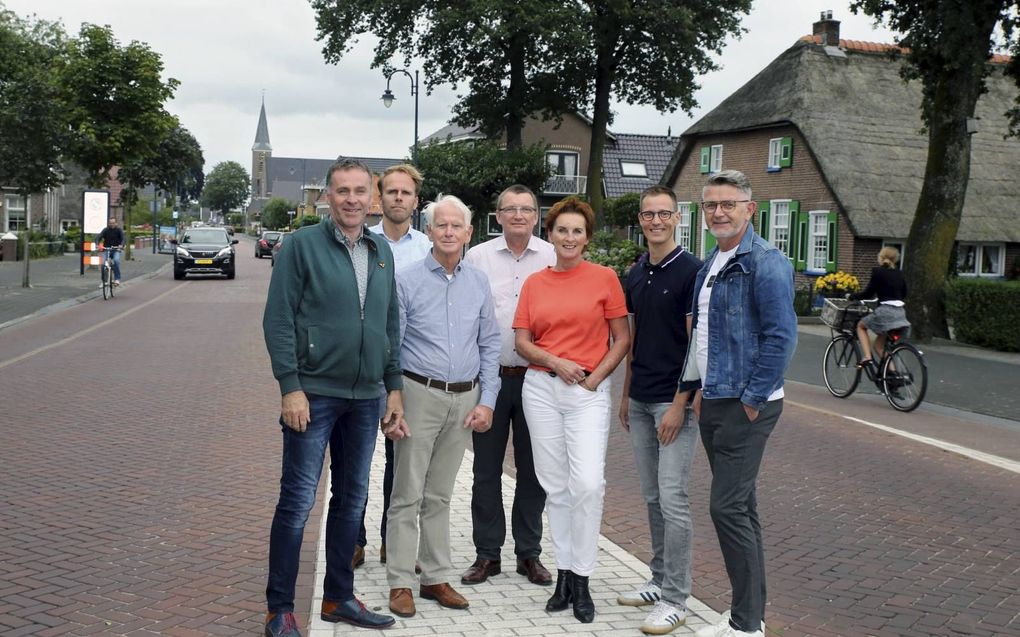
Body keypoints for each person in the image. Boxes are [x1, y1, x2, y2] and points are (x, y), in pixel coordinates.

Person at [262, 159, 404, 637]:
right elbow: (278, 320)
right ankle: (280, 609)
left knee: (352, 501)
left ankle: (338, 598)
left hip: (365, 398)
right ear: (327, 195)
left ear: (374, 197)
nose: (351, 199)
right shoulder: (300, 246)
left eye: (360, 191)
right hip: (314, 395)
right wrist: (290, 387)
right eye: (342, 190)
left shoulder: (380, 249)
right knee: (298, 501)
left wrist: (394, 388)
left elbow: (388, 325)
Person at [687, 171, 797, 637]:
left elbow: (782, 338)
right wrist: (694, 392)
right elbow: (700, 335)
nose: (718, 212)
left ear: (750, 209)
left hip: (745, 404)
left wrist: (751, 401)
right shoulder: (710, 262)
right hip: (714, 399)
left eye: (728, 204)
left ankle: (745, 625)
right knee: (742, 508)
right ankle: (748, 619)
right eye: (711, 204)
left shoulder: (766, 263)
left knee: (727, 509)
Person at [513, 196, 631, 624]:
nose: (569, 237)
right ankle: (565, 576)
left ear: (587, 238)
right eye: (562, 230)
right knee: (555, 486)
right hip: (541, 389)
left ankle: (583, 578)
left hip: (586, 390)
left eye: (577, 231)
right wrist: (554, 361)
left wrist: (596, 379)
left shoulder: (605, 278)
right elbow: (522, 342)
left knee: (586, 484)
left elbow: (621, 338)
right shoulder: (535, 283)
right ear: (550, 234)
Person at [385, 195, 501, 619]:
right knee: (407, 494)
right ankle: (400, 581)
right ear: (428, 231)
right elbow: (391, 344)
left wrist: (487, 401)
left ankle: (434, 576)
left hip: (465, 399)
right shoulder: (407, 279)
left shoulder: (478, 282)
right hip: (419, 394)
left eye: (457, 226)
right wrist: (391, 399)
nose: (449, 232)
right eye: (441, 225)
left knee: (439, 494)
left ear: (470, 233)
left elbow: (489, 344)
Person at [460, 185, 555, 588]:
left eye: (526, 209)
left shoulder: (553, 258)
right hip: (492, 380)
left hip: (537, 380)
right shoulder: (478, 257)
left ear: (536, 216)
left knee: (534, 471)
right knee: (485, 471)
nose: (518, 215)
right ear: (496, 216)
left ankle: (528, 554)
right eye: (510, 209)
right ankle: (487, 554)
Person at [617, 186, 703, 635]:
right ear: (641, 219)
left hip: (674, 403)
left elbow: (696, 345)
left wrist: (680, 404)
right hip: (641, 398)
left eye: (663, 214)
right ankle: (658, 578)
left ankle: (676, 598)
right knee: (652, 498)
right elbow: (634, 339)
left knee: (674, 499)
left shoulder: (692, 272)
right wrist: (626, 394)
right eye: (648, 214)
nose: (655, 221)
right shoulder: (636, 273)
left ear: (677, 219)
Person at [355, 164, 432, 571]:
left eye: (406, 193)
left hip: (406, 371)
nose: (399, 198)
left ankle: (392, 541)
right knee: (356, 458)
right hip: (363, 366)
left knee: (399, 464)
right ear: (378, 199)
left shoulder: (427, 248)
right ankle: (354, 539)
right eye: (392, 192)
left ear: (416, 201)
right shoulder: (360, 242)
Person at [851, 246, 909, 369]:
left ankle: (867, 357)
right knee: (879, 346)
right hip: (900, 313)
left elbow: (868, 294)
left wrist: (852, 296)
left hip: (885, 312)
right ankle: (893, 374)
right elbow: (904, 293)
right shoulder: (899, 273)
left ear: (881, 257)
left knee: (861, 326)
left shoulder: (878, 272)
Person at [95, 217, 124, 285]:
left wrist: (121, 245)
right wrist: (97, 244)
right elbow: (98, 237)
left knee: (116, 260)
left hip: (116, 250)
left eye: (113, 223)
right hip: (106, 250)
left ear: (116, 223)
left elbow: (123, 239)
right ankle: (104, 281)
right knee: (103, 264)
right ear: (108, 223)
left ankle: (117, 279)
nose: (112, 224)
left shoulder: (119, 230)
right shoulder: (106, 230)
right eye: (110, 223)